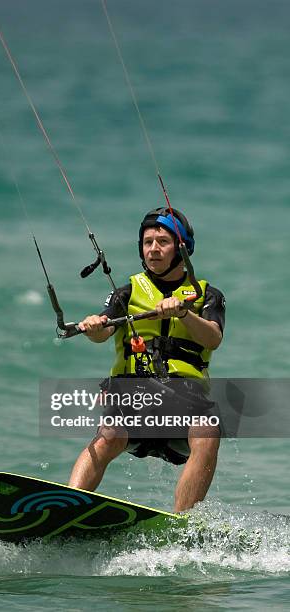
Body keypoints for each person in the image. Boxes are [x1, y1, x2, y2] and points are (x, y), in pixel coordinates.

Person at [68, 207, 226, 512]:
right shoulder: (126, 294)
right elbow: (102, 331)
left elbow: (213, 338)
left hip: (184, 402)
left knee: (207, 431)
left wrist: (183, 313)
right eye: (147, 242)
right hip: (133, 399)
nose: (153, 248)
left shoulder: (207, 295)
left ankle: (180, 522)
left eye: (162, 242)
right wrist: (94, 327)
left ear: (182, 249)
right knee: (109, 435)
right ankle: (67, 504)